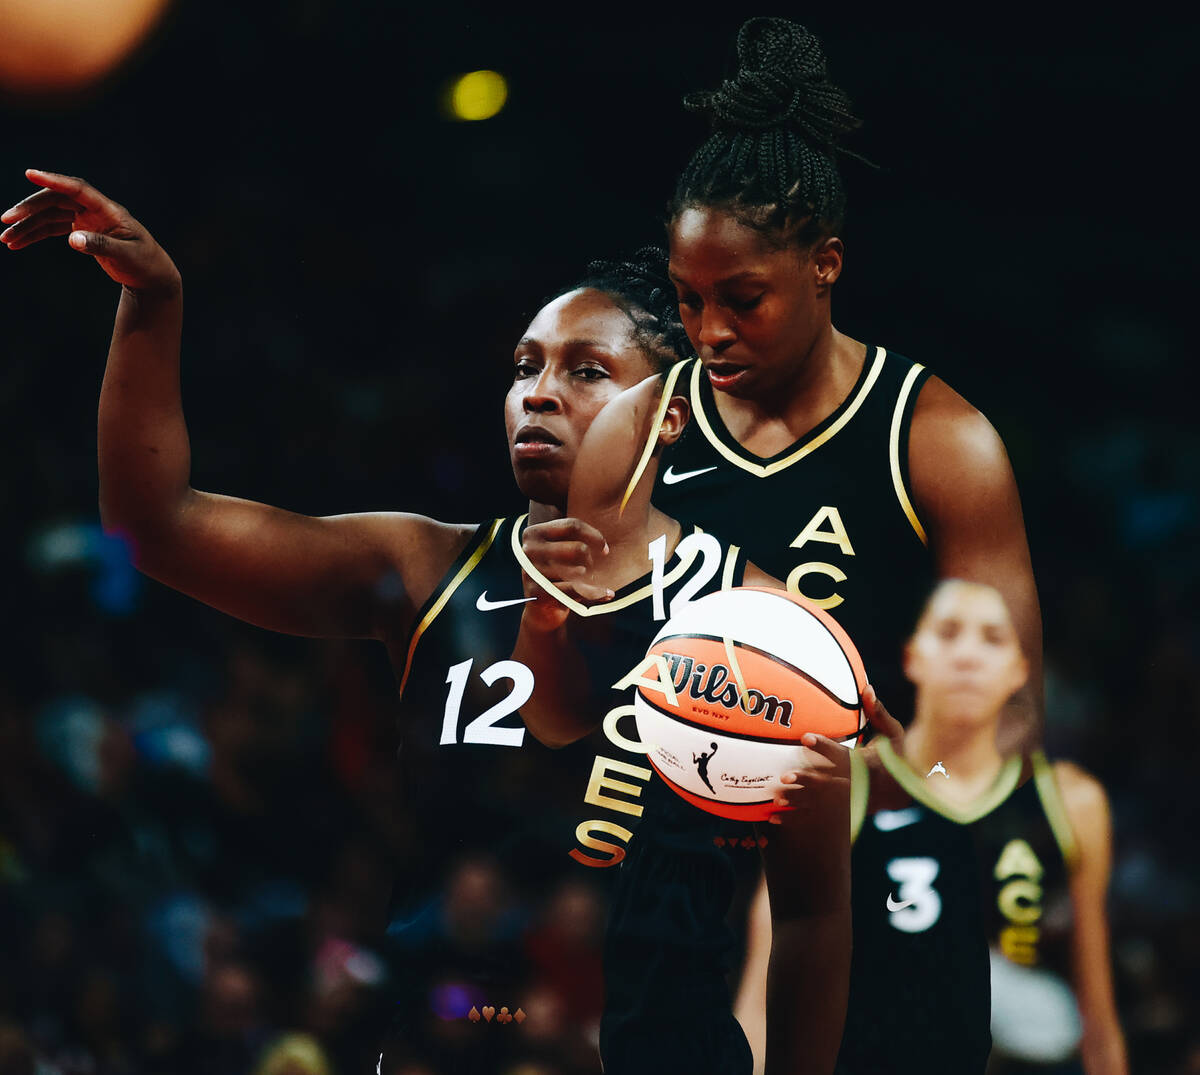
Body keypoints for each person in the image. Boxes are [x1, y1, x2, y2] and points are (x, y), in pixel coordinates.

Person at [0, 173, 753, 1073]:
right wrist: (154, 304)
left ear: (672, 415)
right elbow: (153, 528)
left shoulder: (748, 610)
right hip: (445, 1042)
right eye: (523, 367)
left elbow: (806, 896)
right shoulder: (425, 567)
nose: (538, 393)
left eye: (586, 370)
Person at [520, 14, 1042, 1075]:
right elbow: (563, 718)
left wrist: (903, 772)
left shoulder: (942, 442)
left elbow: (1013, 714)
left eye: (742, 300)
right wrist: (547, 628)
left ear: (825, 265)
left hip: (883, 890)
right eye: (686, 299)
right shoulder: (632, 433)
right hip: (683, 895)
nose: (707, 331)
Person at [740, 580, 1127, 1075]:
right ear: (912, 657)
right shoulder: (847, 781)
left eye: (991, 638)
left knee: (1044, 1014)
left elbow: (1098, 1021)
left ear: (1019, 670)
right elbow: (763, 997)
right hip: (867, 1052)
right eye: (948, 633)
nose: (967, 655)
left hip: (1021, 1048)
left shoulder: (1070, 802)